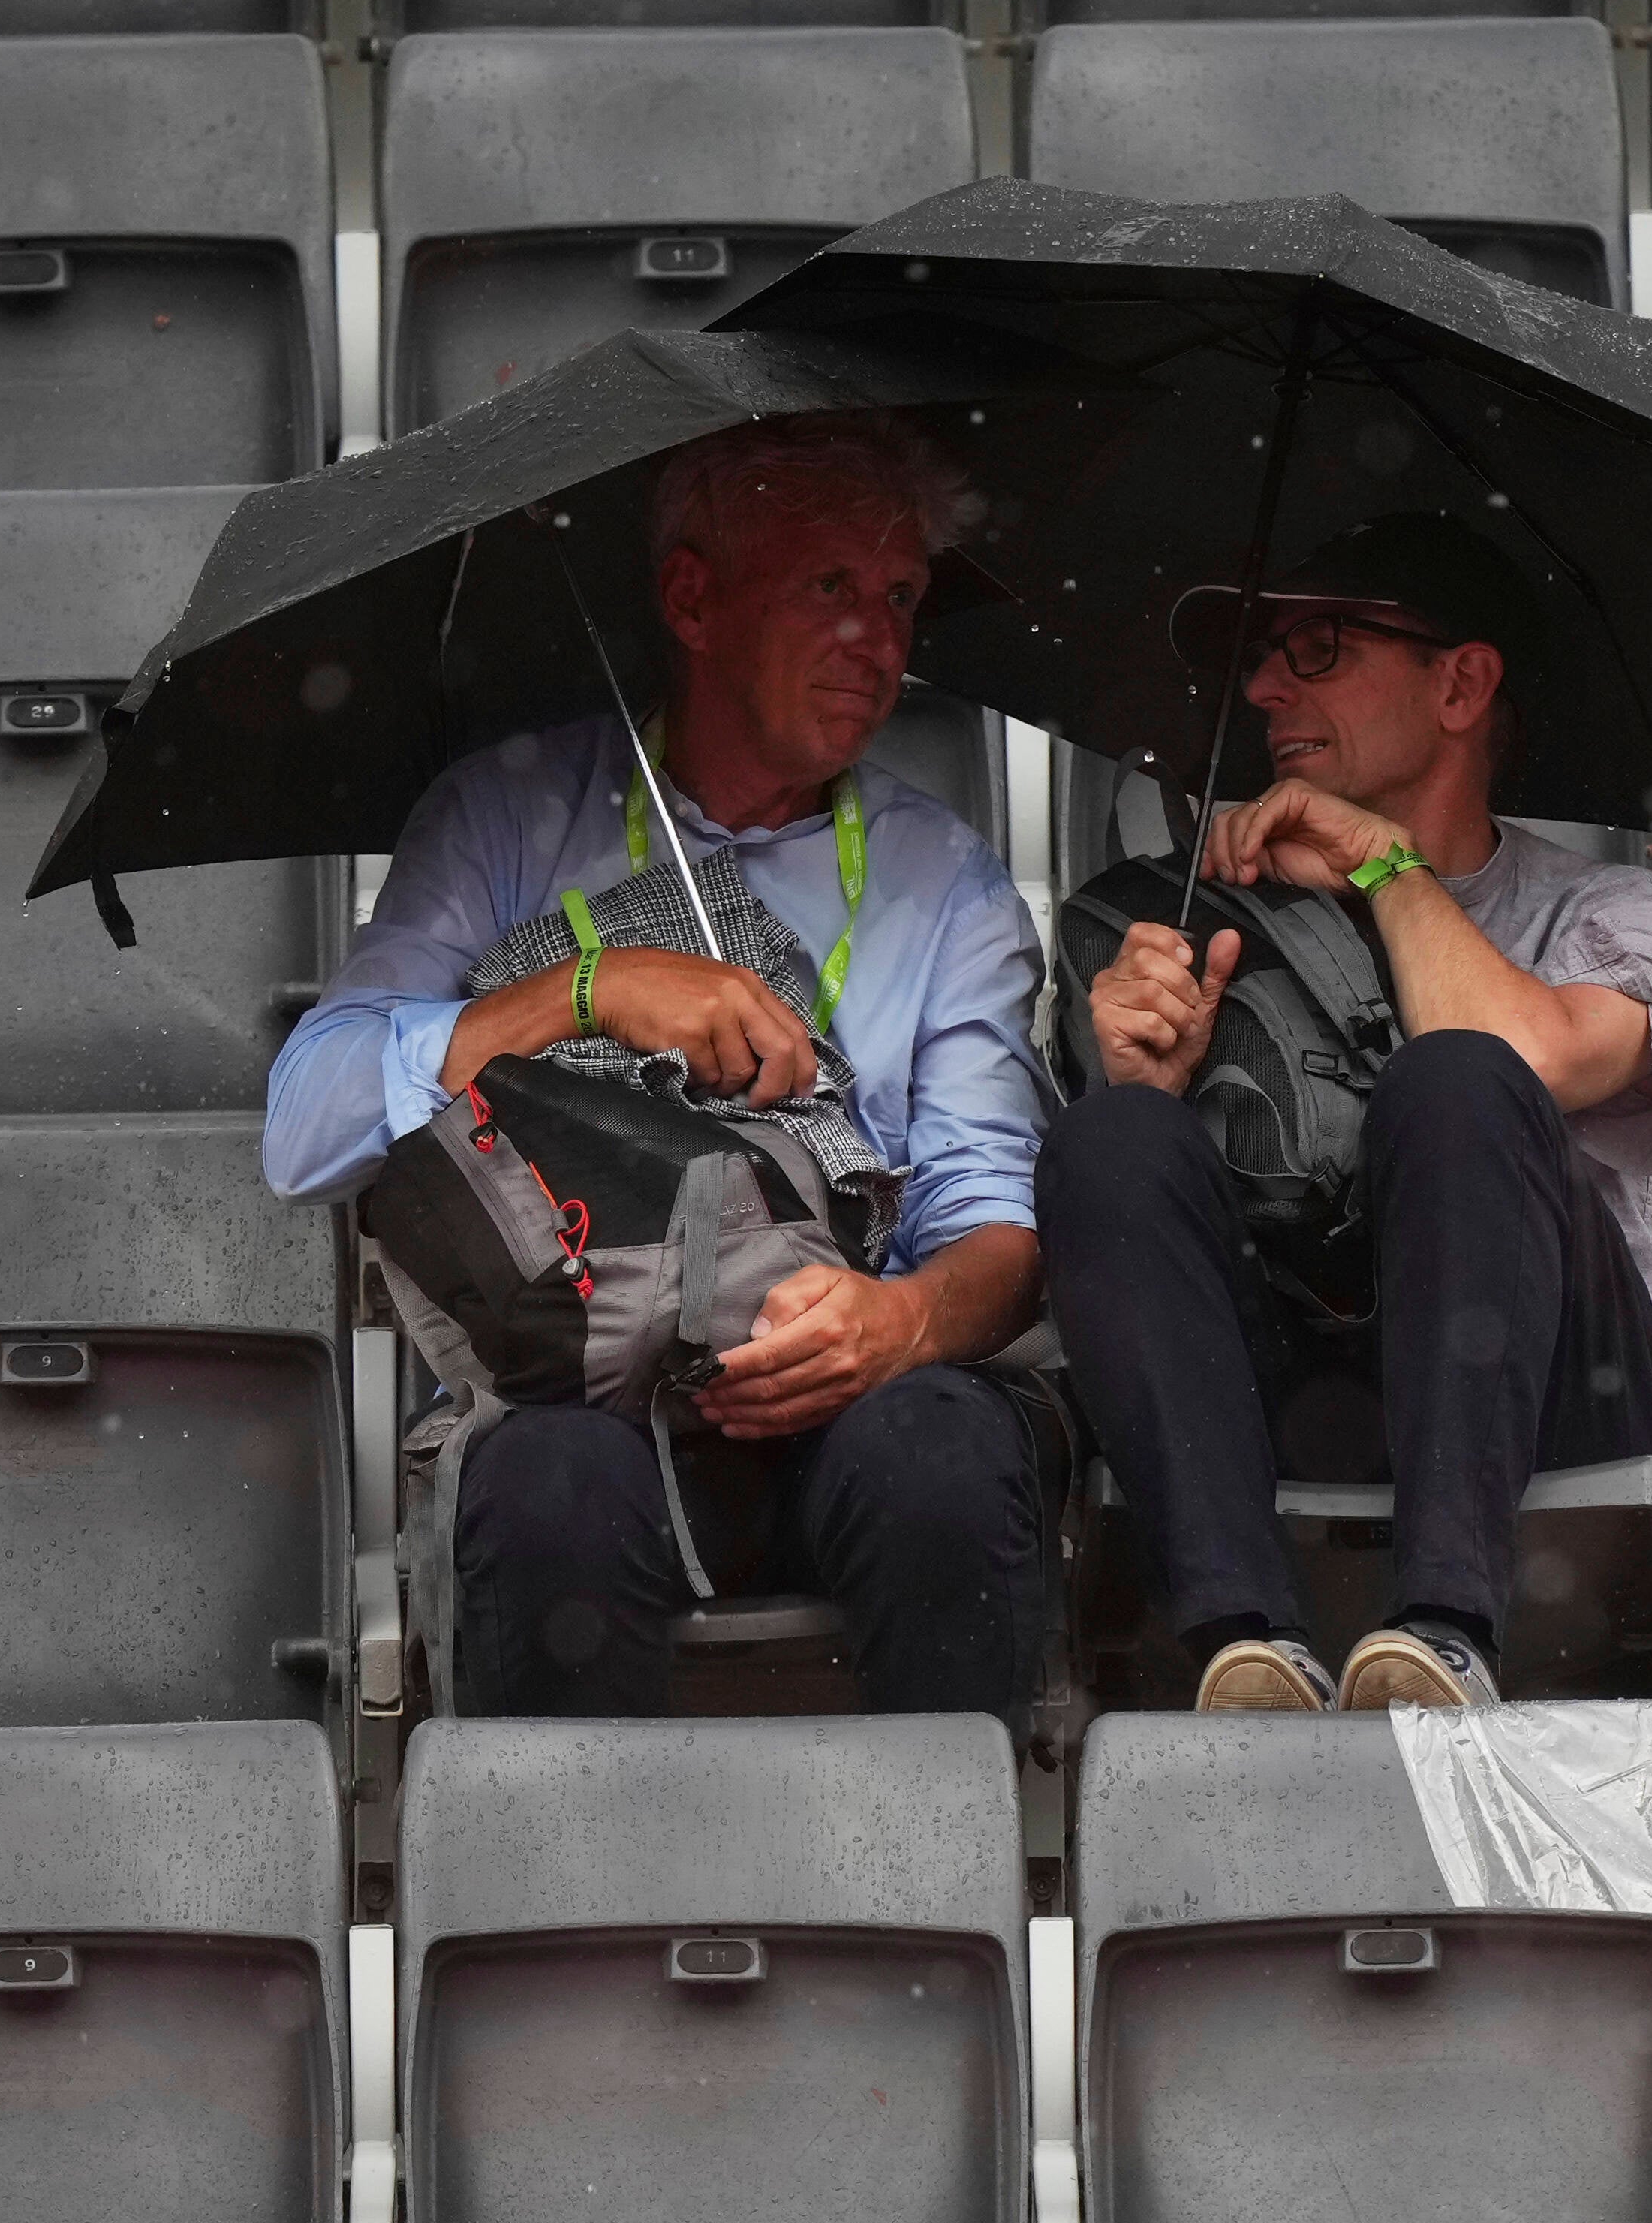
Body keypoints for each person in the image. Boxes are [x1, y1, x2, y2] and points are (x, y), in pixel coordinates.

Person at [263, 414, 1058, 1719]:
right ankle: (569, 1922)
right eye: (830, 588)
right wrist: (582, 990)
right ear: (692, 599)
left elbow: (999, 1223)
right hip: (589, 1385)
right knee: (547, 1485)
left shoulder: (948, 880)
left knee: (946, 1453)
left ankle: (928, 1908)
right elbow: (307, 1124)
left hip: (852, 1397)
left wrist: (901, 1324)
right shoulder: (507, 817)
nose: (880, 637)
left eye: (901, 596)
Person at [1040, 508, 1652, 1710]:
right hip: (1303, 1383)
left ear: (1461, 685)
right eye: (1263, 653)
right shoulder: (1211, 914)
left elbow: (1528, 1052)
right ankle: (1246, 1643)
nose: (1260, 688)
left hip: (1562, 1402)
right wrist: (1150, 1081)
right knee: (1107, 1141)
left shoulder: (1628, 914)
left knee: (1456, 1080)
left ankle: (1445, 1628)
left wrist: (1387, 868)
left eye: (1320, 652)